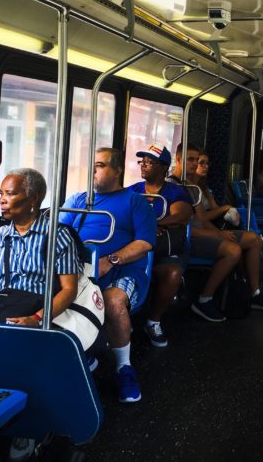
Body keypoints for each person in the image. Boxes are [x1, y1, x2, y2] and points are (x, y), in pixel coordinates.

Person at [60, 148, 157, 403]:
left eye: (100, 165)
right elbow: (59, 234)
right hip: (79, 269)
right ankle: (81, 352)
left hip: (122, 270)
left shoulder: (135, 202)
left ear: (117, 171)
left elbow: (145, 243)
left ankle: (124, 368)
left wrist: (111, 259)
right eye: (91, 164)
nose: (93, 170)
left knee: (113, 302)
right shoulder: (78, 201)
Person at [171, 143, 263, 321]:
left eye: (196, 160)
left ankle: (255, 293)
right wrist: (218, 235)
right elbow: (186, 226)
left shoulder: (193, 188)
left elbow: (202, 219)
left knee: (253, 239)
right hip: (186, 238)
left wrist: (219, 234)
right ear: (178, 159)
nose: (195, 164)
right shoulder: (172, 187)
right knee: (233, 250)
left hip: (200, 232)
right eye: (191, 160)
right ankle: (204, 299)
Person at [0, 168, 80, 327]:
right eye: (1, 194)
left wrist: (37, 319)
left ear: (33, 198)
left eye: (10, 193)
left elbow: (69, 290)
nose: (2, 200)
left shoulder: (57, 236)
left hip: (38, 314)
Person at [127, 142, 193, 348]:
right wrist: (147, 226)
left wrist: (154, 223)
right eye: (143, 161)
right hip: (137, 250)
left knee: (172, 273)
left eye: (151, 162)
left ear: (164, 168)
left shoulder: (174, 192)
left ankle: (153, 321)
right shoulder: (133, 190)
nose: (144, 165)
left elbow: (182, 216)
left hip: (164, 251)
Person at [194, 151, 241, 227]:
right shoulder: (192, 188)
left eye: (207, 163)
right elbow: (202, 217)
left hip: (212, 222)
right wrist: (226, 207)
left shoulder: (204, 186)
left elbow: (214, 208)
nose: (206, 166)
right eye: (201, 163)